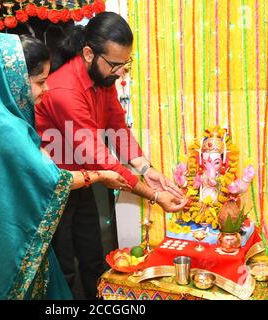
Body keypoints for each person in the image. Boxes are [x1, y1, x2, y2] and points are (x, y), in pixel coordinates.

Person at [0, 32, 130, 300]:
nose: (46, 89)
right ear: (14, 81)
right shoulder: (5, 129)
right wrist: (101, 175)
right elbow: (55, 180)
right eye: (40, 82)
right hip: (8, 247)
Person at [35, 12, 187, 299]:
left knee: (95, 258)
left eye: (125, 64)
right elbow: (100, 157)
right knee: (65, 270)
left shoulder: (104, 79)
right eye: (116, 65)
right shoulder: (65, 89)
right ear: (89, 53)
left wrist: (147, 168)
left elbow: (117, 126)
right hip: (53, 189)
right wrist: (154, 196)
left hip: (86, 181)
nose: (120, 72)